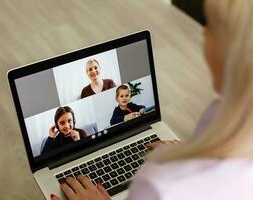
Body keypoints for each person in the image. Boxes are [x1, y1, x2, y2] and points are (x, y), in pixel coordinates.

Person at [51, 0, 253, 199]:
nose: (203, 34)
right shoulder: (218, 112)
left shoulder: (157, 186)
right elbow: (114, 121)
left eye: (210, 26)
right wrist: (190, 153)